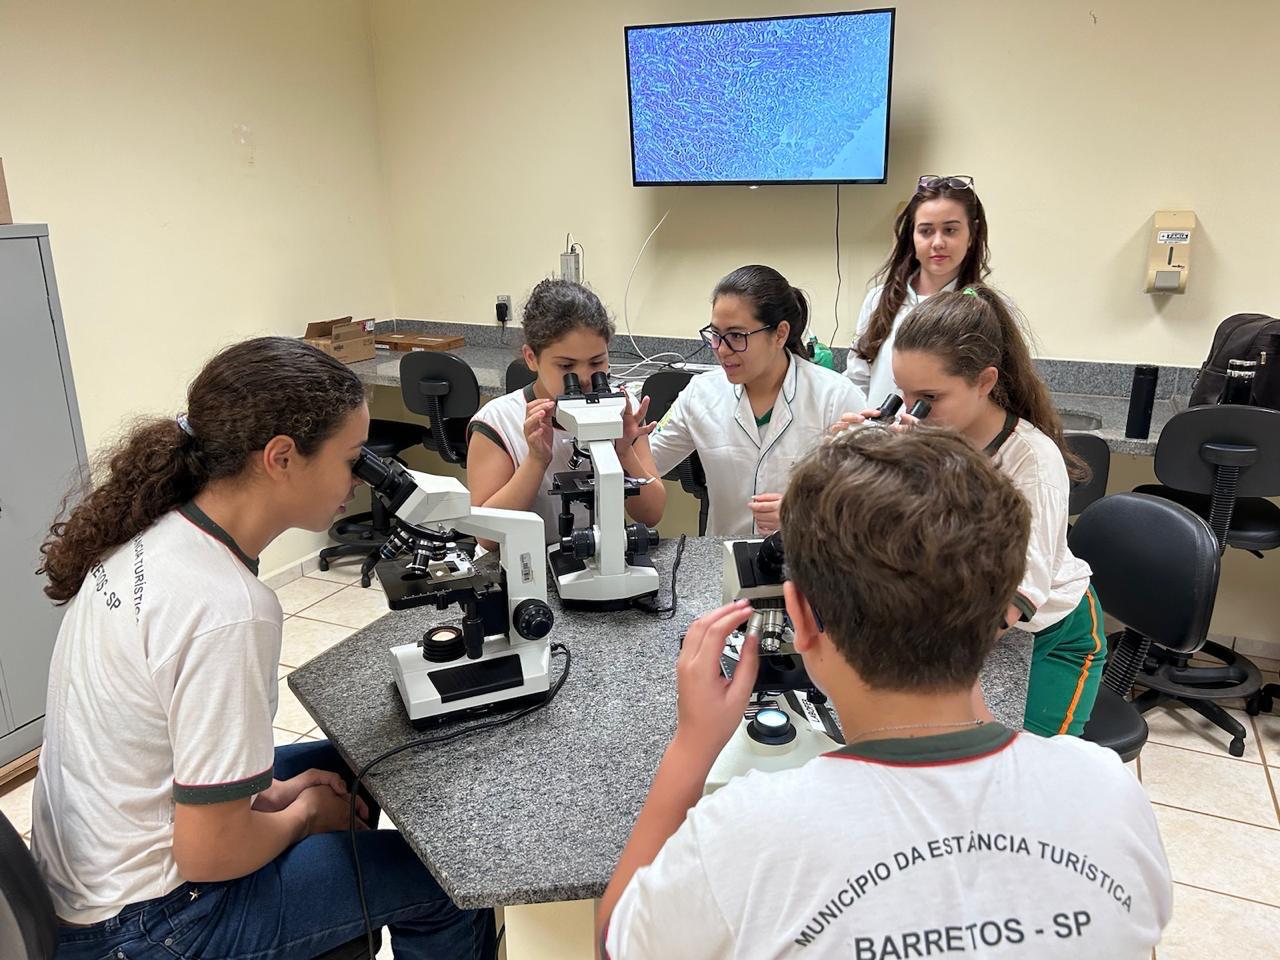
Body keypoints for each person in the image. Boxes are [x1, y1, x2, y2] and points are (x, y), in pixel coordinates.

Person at [598, 427, 1171, 959]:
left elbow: (617, 942)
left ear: (797, 615)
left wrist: (691, 748)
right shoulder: (1109, 790)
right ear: (1005, 605)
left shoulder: (746, 835)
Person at [31, 337, 495, 960]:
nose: (360, 481)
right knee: (448, 886)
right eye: (353, 459)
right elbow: (211, 852)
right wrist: (300, 817)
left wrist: (276, 796)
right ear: (280, 457)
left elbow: (171, 765)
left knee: (357, 760)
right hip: (148, 929)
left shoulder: (152, 537)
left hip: (93, 877)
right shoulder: (227, 608)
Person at [835, 284, 1101, 737]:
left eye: (929, 398)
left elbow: (1018, 594)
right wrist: (844, 463)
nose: (910, 414)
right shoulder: (923, 434)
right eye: (902, 394)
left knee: (1027, 769)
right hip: (964, 617)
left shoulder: (1030, 461)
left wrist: (922, 665)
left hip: (1046, 633)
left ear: (985, 382)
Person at [648, 264, 865, 536]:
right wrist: (626, 445)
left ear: (780, 334)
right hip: (723, 563)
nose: (721, 350)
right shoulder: (701, 393)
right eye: (715, 335)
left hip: (807, 563)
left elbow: (875, 501)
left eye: (737, 336)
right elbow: (648, 464)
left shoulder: (835, 397)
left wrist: (806, 511)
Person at [466, 278, 665, 541]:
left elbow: (651, 514)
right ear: (531, 358)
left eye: (597, 363)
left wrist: (625, 452)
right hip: (528, 568)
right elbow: (488, 539)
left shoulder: (622, 410)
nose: (584, 378)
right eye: (566, 366)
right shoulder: (498, 421)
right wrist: (536, 461)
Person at [845, 174, 991, 405]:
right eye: (926, 231)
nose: (937, 243)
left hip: (943, 440)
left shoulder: (985, 312)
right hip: (876, 438)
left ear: (972, 234)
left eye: (950, 230)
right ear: (912, 234)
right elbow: (857, 382)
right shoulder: (880, 300)